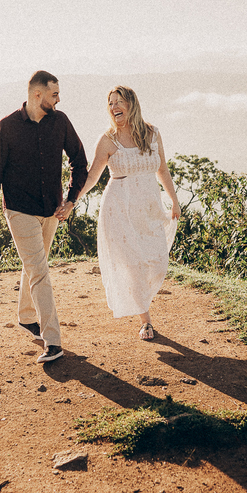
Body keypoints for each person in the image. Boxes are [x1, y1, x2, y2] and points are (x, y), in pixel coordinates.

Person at [0, 71, 88, 363]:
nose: (59, 99)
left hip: (51, 209)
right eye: (54, 94)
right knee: (40, 271)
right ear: (37, 95)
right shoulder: (6, 127)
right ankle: (53, 342)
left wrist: (71, 200)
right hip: (19, 210)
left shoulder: (60, 121)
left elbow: (79, 161)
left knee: (35, 264)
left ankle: (26, 316)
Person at [76, 85, 180, 340]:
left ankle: (142, 303)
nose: (114, 107)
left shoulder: (152, 133)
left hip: (149, 207)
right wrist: (71, 201)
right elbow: (92, 177)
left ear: (131, 104)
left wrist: (174, 201)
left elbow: (163, 169)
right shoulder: (107, 140)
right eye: (110, 103)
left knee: (157, 262)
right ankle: (146, 321)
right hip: (119, 208)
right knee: (134, 265)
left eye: (118, 102)